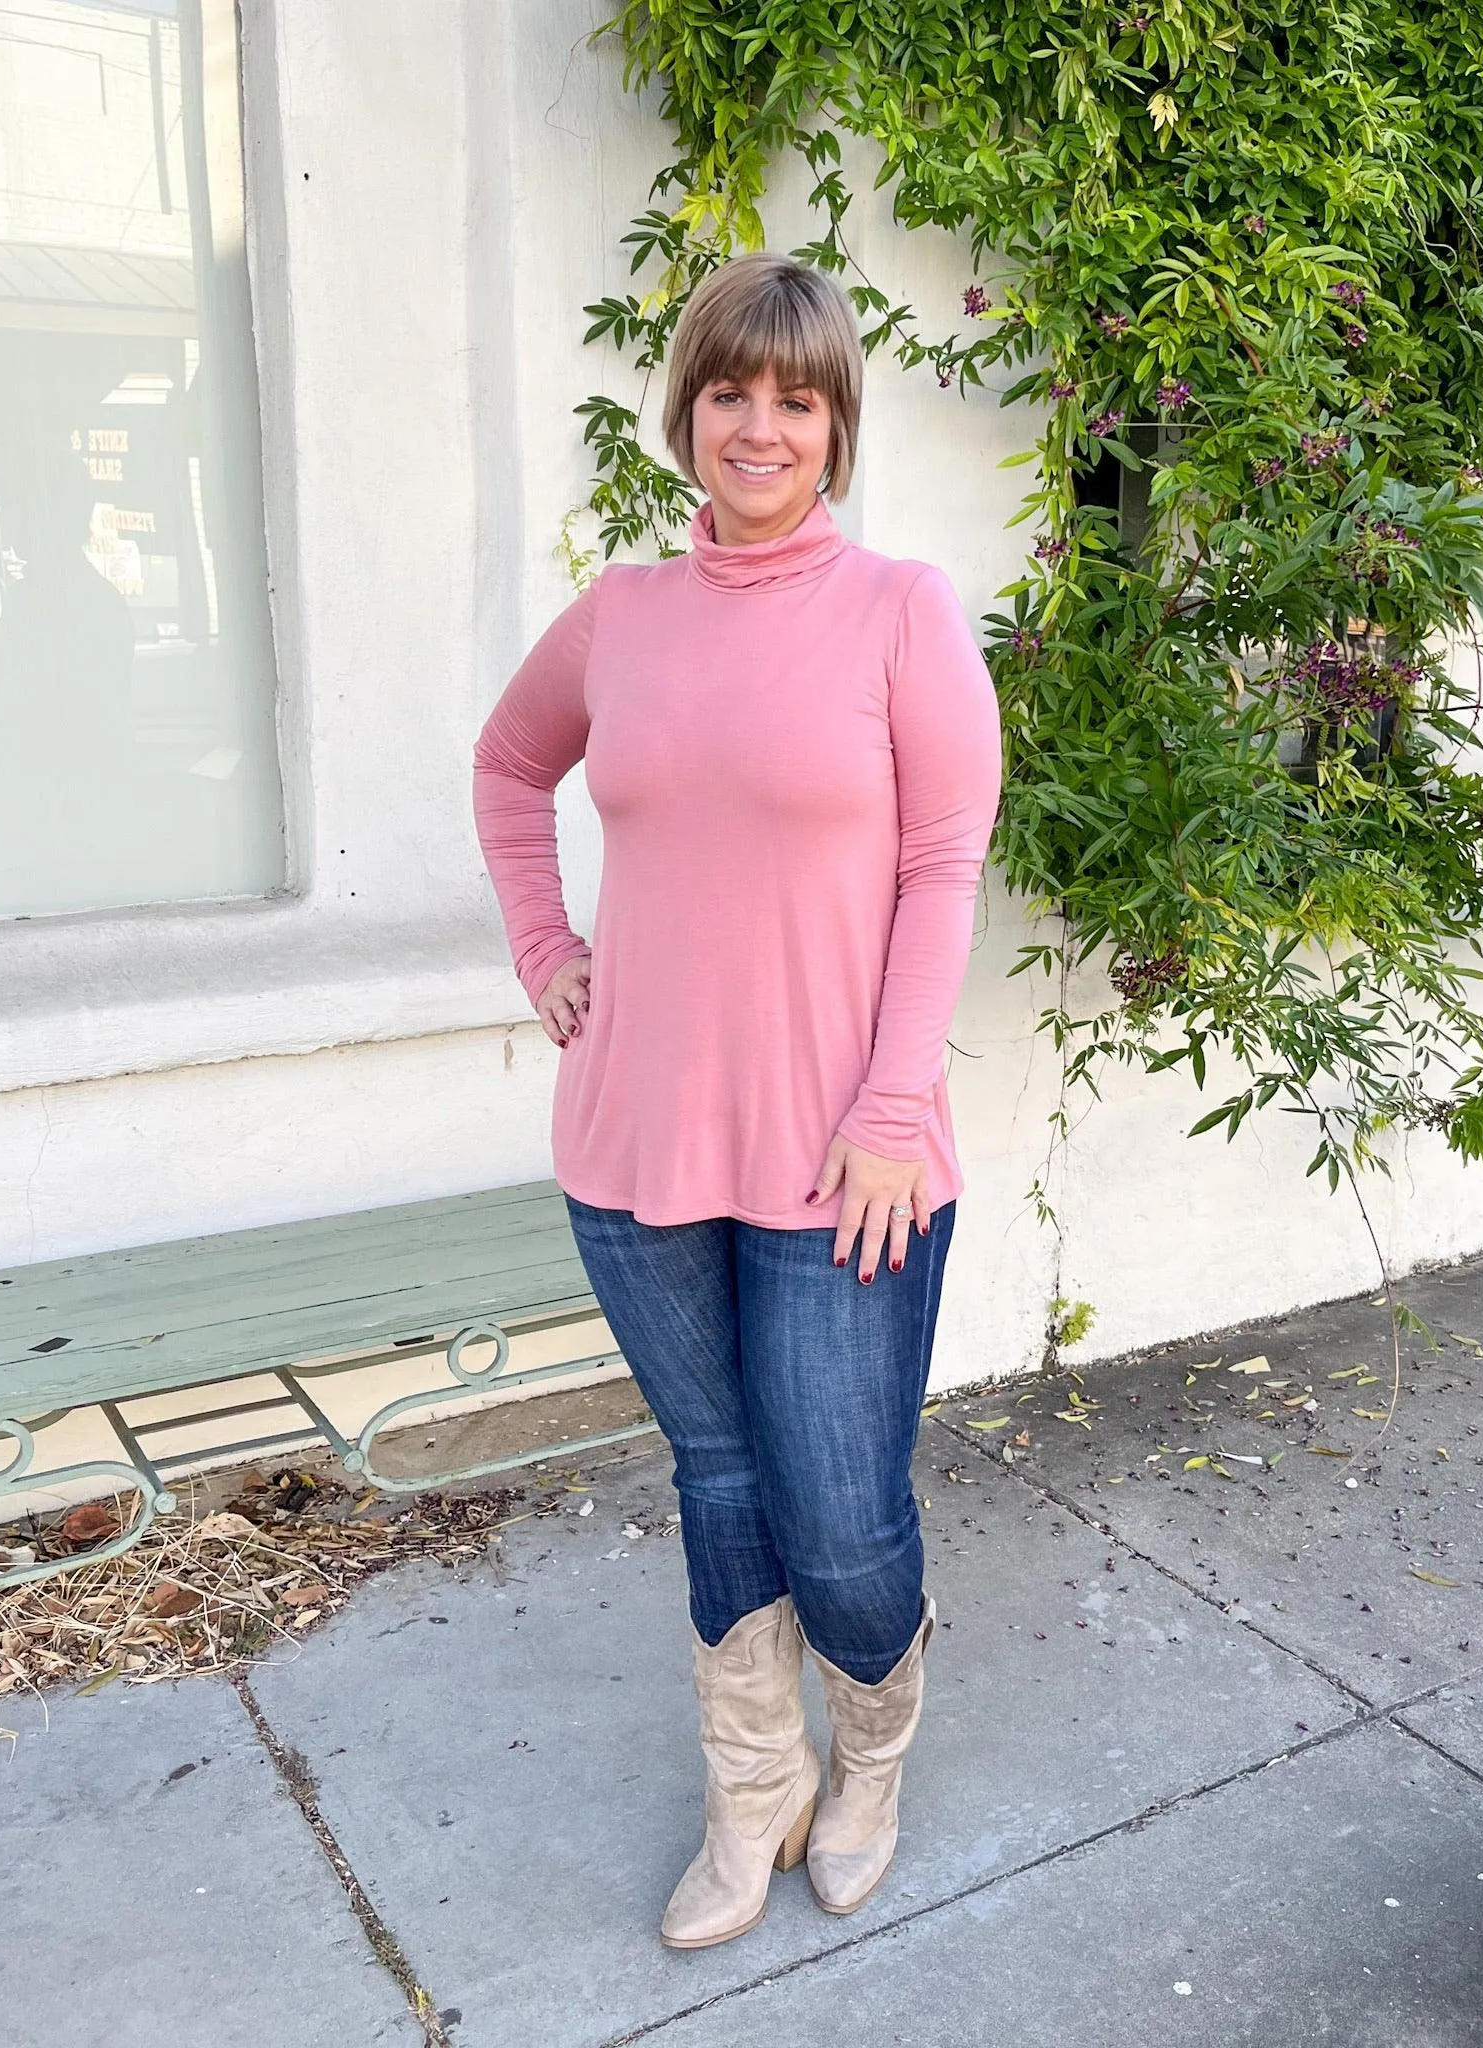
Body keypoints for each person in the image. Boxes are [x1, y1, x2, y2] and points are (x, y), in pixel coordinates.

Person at [472, 251, 1002, 1948]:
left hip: (849, 1158)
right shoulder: (621, 617)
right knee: (717, 1481)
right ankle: (753, 1784)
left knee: (842, 1520)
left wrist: (896, 1101)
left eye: (796, 398)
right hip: (634, 1144)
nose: (758, 426)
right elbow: (504, 765)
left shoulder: (904, 613)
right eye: (729, 391)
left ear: (836, 425)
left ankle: (873, 1752)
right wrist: (545, 941)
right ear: (687, 408)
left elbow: (942, 866)